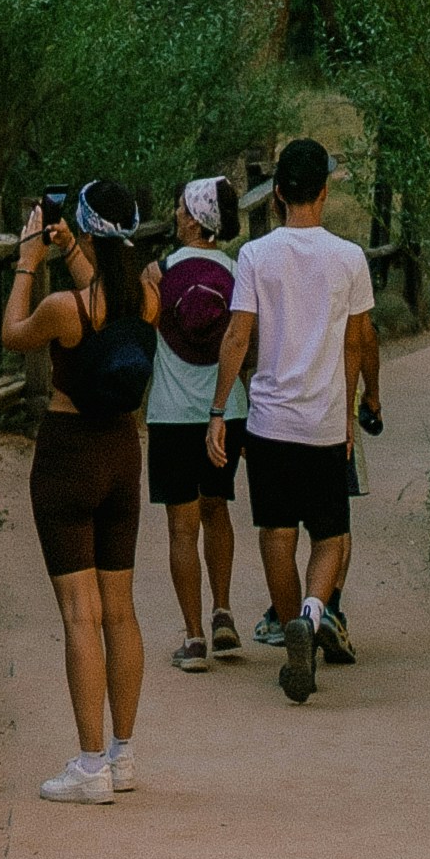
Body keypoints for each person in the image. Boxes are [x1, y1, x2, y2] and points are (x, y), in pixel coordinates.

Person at [4, 176, 160, 804]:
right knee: (120, 610)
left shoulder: (67, 309)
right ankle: (122, 755)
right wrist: (74, 247)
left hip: (69, 455)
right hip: (124, 454)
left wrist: (27, 260)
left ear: (89, 228)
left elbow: (13, 332)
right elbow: (110, 282)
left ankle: (89, 764)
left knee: (80, 614)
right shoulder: (148, 294)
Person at [205, 134, 376, 702]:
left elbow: (238, 335)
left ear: (277, 194)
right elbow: (355, 344)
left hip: (270, 423)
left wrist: (218, 409)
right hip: (325, 421)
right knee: (330, 536)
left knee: (275, 535)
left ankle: (289, 625)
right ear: (323, 193)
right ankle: (311, 610)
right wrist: (350, 417)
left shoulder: (255, 256)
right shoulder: (350, 258)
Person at [147, 175, 249, 669]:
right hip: (227, 411)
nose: (176, 214)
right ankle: (224, 612)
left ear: (191, 217)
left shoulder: (158, 272)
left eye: (181, 207)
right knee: (218, 509)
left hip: (172, 414)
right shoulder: (238, 271)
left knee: (181, 528)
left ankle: (192, 639)